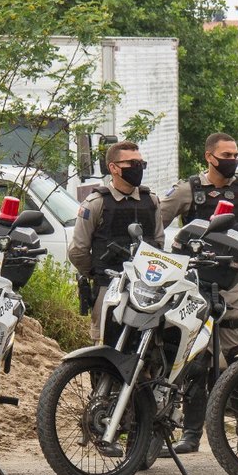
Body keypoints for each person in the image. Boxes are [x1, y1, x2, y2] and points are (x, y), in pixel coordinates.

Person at [159, 132, 238, 453]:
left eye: (235, 154)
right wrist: (168, 267)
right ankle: (190, 434)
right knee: (196, 360)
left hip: (235, 285)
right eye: (226, 155)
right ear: (209, 157)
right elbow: (157, 224)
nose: (232, 160)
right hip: (195, 284)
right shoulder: (188, 190)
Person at [68, 140, 164, 342]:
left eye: (141, 163)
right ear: (113, 168)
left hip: (146, 290)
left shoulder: (151, 201)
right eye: (132, 163)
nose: (138, 168)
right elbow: (77, 251)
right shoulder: (96, 203)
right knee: (105, 345)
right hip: (109, 287)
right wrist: (98, 272)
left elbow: (158, 243)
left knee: (147, 345)